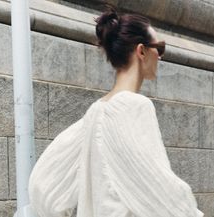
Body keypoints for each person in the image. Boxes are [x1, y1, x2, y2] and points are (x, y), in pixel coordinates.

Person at [27, 6, 204, 217]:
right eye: (160, 48)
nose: (160, 57)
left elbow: (43, 182)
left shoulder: (96, 110)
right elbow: (161, 187)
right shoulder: (135, 106)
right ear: (141, 51)